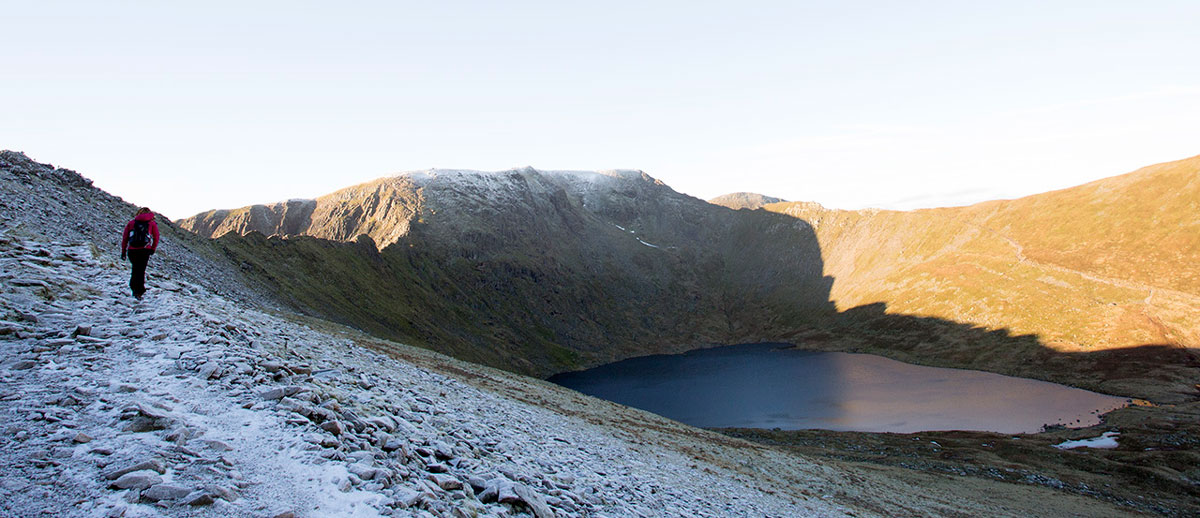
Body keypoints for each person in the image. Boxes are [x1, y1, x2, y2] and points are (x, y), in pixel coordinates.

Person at [120, 207, 160, 299]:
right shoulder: (152, 223)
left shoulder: (131, 223)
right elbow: (156, 237)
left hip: (132, 250)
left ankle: (134, 288)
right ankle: (139, 291)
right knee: (141, 270)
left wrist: (123, 251)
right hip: (144, 250)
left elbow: (125, 238)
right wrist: (153, 249)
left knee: (135, 269)